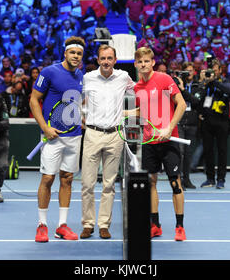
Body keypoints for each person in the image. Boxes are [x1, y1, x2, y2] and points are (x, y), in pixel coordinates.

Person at [30, 36, 86, 243]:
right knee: (47, 178)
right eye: (73, 52)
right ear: (65, 53)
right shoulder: (49, 72)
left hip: (74, 137)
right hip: (52, 136)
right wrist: (44, 127)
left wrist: (82, 118)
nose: (76, 56)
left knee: (67, 179)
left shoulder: (82, 75)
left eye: (79, 54)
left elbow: (78, 102)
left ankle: (62, 225)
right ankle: (42, 225)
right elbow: (34, 100)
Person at [80, 44, 135, 239]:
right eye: (102, 58)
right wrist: (79, 117)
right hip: (92, 134)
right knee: (87, 183)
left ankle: (104, 224)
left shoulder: (123, 77)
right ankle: (88, 223)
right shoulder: (87, 78)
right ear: (97, 60)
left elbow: (140, 90)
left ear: (115, 60)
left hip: (115, 136)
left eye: (109, 58)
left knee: (109, 184)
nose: (106, 62)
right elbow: (73, 100)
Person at [133, 46, 187, 241]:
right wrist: (122, 114)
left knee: (175, 183)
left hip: (169, 140)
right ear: (136, 64)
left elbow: (181, 104)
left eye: (147, 61)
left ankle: (180, 227)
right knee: (151, 183)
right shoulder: (137, 88)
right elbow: (142, 112)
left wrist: (169, 128)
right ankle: (155, 225)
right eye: (140, 62)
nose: (144, 64)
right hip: (149, 141)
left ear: (152, 62)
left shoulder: (164, 79)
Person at [196, 58, 230, 189]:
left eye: (215, 71)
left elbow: (228, 90)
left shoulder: (225, 80)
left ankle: (221, 178)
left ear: (220, 71)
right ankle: (210, 178)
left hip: (222, 121)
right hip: (207, 121)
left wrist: (214, 81)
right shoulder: (206, 83)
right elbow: (197, 97)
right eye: (211, 71)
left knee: (222, 151)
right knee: (208, 151)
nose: (212, 73)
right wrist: (202, 82)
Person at [175, 61, 201, 189]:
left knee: (188, 152)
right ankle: (179, 179)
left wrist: (183, 90)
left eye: (191, 70)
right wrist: (178, 86)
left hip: (192, 122)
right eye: (186, 71)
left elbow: (196, 101)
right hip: (179, 121)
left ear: (194, 72)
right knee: (180, 152)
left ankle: (187, 179)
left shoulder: (197, 85)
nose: (189, 73)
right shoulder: (176, 84)